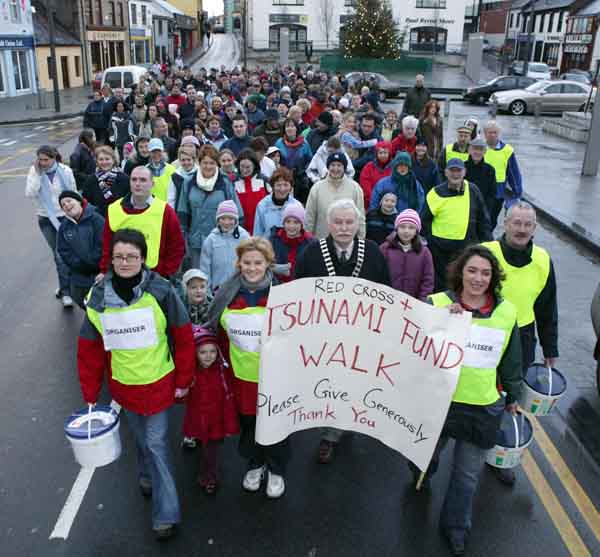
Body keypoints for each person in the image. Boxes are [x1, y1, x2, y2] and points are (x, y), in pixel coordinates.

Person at [77, 228, 195, 540]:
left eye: (132, 256)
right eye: (119, 256)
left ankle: (165, 515)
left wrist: (184, 379)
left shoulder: (162, 291)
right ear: (111, 260)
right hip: (124, 388)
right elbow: (89, 350)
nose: (125, 262)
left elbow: (183, 336)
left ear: (143, 259)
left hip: (159, 385)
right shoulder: (97, 300)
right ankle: (145, 475)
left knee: (156, 445)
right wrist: (90, 395)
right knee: (142, 441)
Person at [423, 244, 522, 556]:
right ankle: (422, 471)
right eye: (472, 270)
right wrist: (442, 321)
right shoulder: (437, 304)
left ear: (493, 278)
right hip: (439, 402)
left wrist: (513, 395)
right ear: (460, 273)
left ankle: (455, 527)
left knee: (466, 477)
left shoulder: (506, 313)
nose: (479, 278)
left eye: (485, 273)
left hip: (481, 408)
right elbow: (416, 350)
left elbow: (511, 358)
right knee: (425, 457)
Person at [295, 199, 390, 463]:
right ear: (328, 224)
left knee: (356, 383)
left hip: (361, 336)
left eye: (349, 222)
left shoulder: (372, 252)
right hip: (324, 338)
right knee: (330, 384)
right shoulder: (312, 253)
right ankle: (331, 432)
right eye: (338, 222)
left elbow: (387, 292)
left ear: (358, 224)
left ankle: (343, 425)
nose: (344, 228)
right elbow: (297, 291)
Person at [203, 238, 290, 498]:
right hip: (240, 375)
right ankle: (256, 463)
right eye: (247, 262)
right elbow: (213, 327)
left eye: (258, 263)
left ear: (268, 264)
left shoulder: (283, 293)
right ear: (238, 263)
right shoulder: (226, 291)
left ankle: (276, 468)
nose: (252, 268)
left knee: (275, 421)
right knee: (249, 421)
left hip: (276, 375)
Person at [481, 202, 558, 485]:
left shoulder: (542, 259)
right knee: (479, 393)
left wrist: (550, 350)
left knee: (510, 397)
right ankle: (465, 445)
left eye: (528, 224)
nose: (522, 229)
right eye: (517, 223)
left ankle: (500, 452)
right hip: (486, 333)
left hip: (522, 337)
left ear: (534, 228)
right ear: (506, 223)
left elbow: (548, 308)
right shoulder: (486, 252)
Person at [182, 325, 239, 494]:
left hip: (216, 420)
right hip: (198, 418)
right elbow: (180, 397)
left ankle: (209, 478)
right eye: (203, 352)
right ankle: (206, 470)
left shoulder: (222, 371)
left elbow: (228, 397)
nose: (208, 356)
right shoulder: (191, 374)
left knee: (211, 451)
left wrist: (229, 423)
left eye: (212, 352)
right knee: (203, 445)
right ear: (195, 353)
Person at [100, 166, 185, 279]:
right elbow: (107, 246)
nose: (138, 184)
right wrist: (105, 271)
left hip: (154, 277)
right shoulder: (114, 209)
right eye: (134, 179)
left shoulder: (165, 211)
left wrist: (164, 273)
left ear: (152, 184)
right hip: (120, 275)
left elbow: (177, 247)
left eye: (143, 180)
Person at [421, 158, 492, 291]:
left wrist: (488, 244)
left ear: (464, 172)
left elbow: (483, 220)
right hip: (439, 251)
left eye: (458, 170)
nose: (455, 174)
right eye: (452, 170)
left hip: (464, 248)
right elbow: (424, 220)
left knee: (462, 283)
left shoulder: (473, 190)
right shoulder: (435, 193)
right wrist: (432, 240)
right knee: (441, 286)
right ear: (446, 173)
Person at [175, 145, 243, 268]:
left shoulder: (225, 183)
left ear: (217, 164)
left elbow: (237, 213)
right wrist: (183, 238)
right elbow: (182, 212)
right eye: (204, 163)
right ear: (199, 163)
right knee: (198, 279)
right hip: (196, 241)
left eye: (211, 163)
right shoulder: (189, 182)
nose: (208, 166)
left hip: (221, 240)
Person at [25, 145, 77, 308]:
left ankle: (65, 286)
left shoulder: (65, 171)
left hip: (66, 217)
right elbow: (30, 193)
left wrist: (76, 213)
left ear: (54, 157)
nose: (43, 163)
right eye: (40, 160)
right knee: (58, 255)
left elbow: (73, 192)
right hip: (46, 219)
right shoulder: (35, 172)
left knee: (71, 253)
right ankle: (66, 292)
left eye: (46, 160)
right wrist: (38, 175)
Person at [56, 191, 105, 309]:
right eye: (63, 205)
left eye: (69, 201)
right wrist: (78, 265)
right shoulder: (64, 226)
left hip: (100, 271)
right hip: (80, 272)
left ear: (79, 201)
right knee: (78, 297)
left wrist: (94, 263)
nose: (67, 205)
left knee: (103, 301)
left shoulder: (96, 219)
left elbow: (102, 243)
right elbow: (64, 251)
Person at [305, 152, 366, 239]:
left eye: (339, 165)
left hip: (347, 243)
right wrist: (308, 239)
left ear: (344, 168)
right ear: (328, 167)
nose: (335, 169)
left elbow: (360, 218)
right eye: (332, 165)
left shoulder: (355, 188)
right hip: (322, 241)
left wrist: (361, 239)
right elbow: (309, 217)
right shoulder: (317, 188)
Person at [380, 209, 433, 300]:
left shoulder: (424, 252)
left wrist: (422, 301)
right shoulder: (385, 249)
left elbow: (428, 280)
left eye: (411, 227)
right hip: (387, 301)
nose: (406, 231)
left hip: (413, 303)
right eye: (402, 227)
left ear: (416, 231)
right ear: (397, 228)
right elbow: (378, 275)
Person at [200, 200, 250, 293]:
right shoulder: (211, 240)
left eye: (230, 219)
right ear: (218, 220)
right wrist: (207, 291)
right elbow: (205, 268)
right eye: (223, 219)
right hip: (218, 289)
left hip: (241, 288)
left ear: (236, 220)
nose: (226, 222)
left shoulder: (244, 237)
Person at [482, 120, 523, 228]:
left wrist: (517, 191)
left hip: (498, 191)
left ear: (498, 133)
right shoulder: (479, 148)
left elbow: (513, 172)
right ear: (484, 134)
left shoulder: (507, 150)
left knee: (492, 218)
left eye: (495, 132)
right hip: (482, 188)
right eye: (489, 132)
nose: (492, 135)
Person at [270, 203, 314, 283]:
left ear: (302, 224)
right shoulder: (274, 240)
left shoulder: (311, 243)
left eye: (296, 222)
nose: (291, 226)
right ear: (283, 223)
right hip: (277, 287)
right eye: (288, 221)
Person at [253, 166, 301, 238]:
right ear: (272, 186)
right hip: (268, 247)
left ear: (291, 187)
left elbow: (302, 232)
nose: (282, 189)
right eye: (278, 185)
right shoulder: (262, 205)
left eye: (286, 185)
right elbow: (257, 233)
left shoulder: (297, 206)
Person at [82, 146, 131, 216]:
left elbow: (129, 200)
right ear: (97, 161)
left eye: (107, 159)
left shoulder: (124, 178)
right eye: (101, 159)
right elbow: (87, 202)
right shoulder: (91, 180)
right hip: (99, 219)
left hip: (120, 217)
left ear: (113, 160)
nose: (104, 162)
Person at [274, 118, 313, 204]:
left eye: (292, 126)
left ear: (296, 128)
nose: (290, 129)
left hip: (301, 179)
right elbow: (275, 159)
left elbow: (310, 160)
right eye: (287, 126)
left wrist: (303, 171)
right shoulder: (279, 143)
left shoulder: (304, 143)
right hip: (284, 179)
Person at [233, 149, 268, 235]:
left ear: (254, 166)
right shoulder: (233, 182)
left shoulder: (263, 181)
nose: (244, 170)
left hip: (260, 228)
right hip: (240, 229)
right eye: (242, 166)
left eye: (248, 167)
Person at [465, 137, 497, 222]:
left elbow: (492, 193)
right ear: (469, 150)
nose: (477, 152)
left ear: (485, 152)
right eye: (475, 149)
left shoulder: (490, 170)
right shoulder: (462, 167)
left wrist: (486, 212)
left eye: (480, 149)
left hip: (482, 210)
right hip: (464, 208)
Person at [359, 140, 393, 209]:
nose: (383, 155)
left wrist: (388, 200)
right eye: (380, 153)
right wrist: (375, 199)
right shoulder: (368, 167)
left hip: (390, 204)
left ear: (389, 153)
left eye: (385, 153)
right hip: (371, 203)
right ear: (376, 154)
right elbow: (365, 185)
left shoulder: (394, 167)